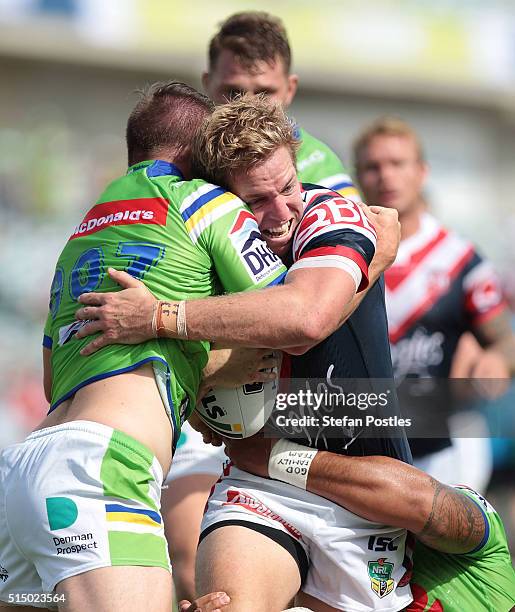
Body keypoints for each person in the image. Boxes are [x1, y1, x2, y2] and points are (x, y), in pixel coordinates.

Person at [74, 96, 413, 611]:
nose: (280, 214)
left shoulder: (330, 212)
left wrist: (160, 318)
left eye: (288, 187)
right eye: (256, 201)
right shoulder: (203, 240)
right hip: (261, 482)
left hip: (360, 486)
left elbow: (303, 322)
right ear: (222, 198)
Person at [0, 82, 291, 612]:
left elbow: (54, 379)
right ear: (197, 152)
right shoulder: (202, 201)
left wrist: (202, 357)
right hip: (101, 471)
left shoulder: (82, 234)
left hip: (23, 472)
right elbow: (292, 310)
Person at [166, 12, 362, 599]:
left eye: (264, 92)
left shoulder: (318, 166)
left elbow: (352, 274)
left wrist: (173, 322)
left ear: (291, 90)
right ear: (207, 84)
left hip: (316, 413)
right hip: (207, 419)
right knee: (187, 563)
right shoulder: (188, 170)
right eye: (232, 91)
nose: (248, 102)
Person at [353, 116, 515, 492]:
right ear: (357, 175)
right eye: (373, 166)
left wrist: (496, 360)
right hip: (358, 444)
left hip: (440, 448)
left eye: (397, 164)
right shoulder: (341, 248)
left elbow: (504, 341)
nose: (386, 176)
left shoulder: (462, 260)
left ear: (422, 172)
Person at [222, 434, 515, 612]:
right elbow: (418, 501)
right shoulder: (490, 564)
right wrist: (278, 458)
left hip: (273, 508)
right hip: (317, 443)